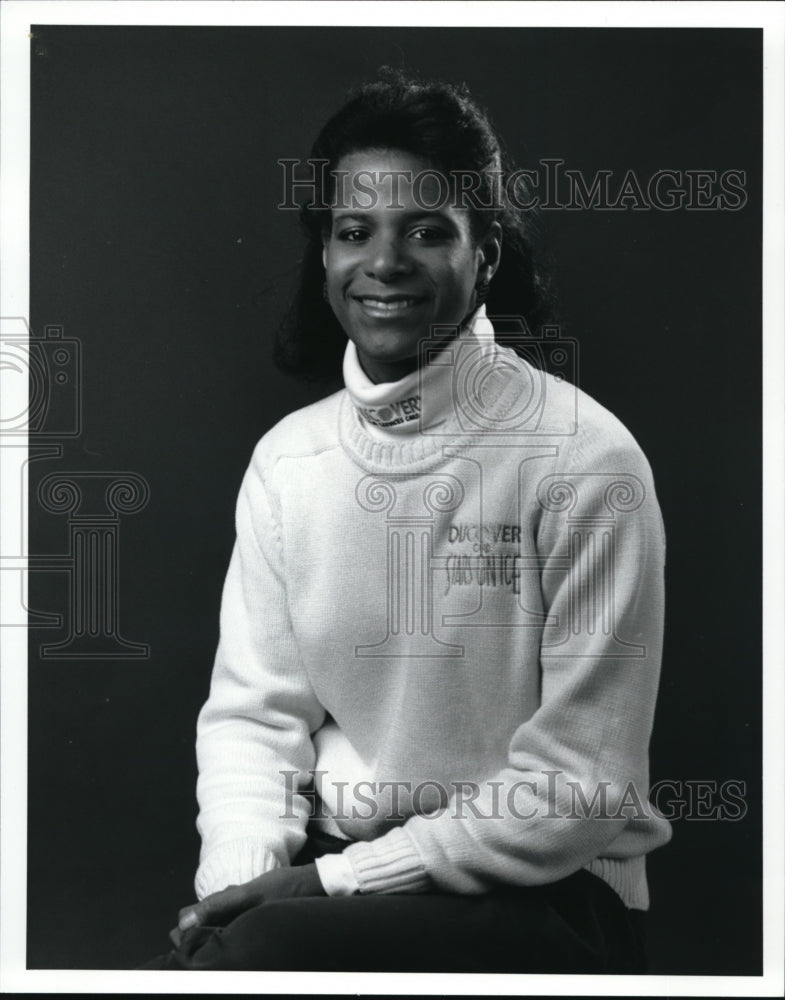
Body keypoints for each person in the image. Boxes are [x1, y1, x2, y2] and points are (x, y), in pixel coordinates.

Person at [142, 69, 671, 973]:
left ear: (487, 255)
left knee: (259, 956)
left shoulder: (586, 459)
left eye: (427, 231)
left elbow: (577, 789)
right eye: (354, 232)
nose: (384, 263)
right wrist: (233, 892)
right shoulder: (288, 462)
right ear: (325, 256)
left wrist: (326, 890)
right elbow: (253, 719)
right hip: (328, 894)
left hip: (549, 901)